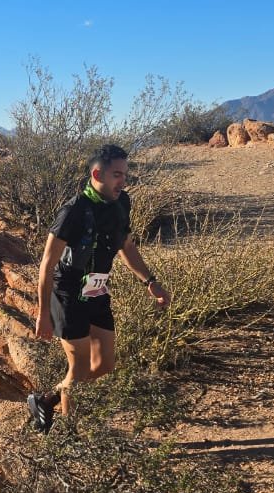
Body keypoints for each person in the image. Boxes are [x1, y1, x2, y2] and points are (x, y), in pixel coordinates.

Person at [28, 144, 170, 432]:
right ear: (97, 175)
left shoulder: (121, 203)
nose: (123, 181)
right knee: (79, 369)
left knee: (105, 364)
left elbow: (126, 246)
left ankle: (46, 400)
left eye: (125, 174)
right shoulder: (73, 211)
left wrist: (150, 281)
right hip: (68, 293)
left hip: (97, 290)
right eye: (117, 175)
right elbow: (47, 264)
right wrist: (44, 314)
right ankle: (71, 436)